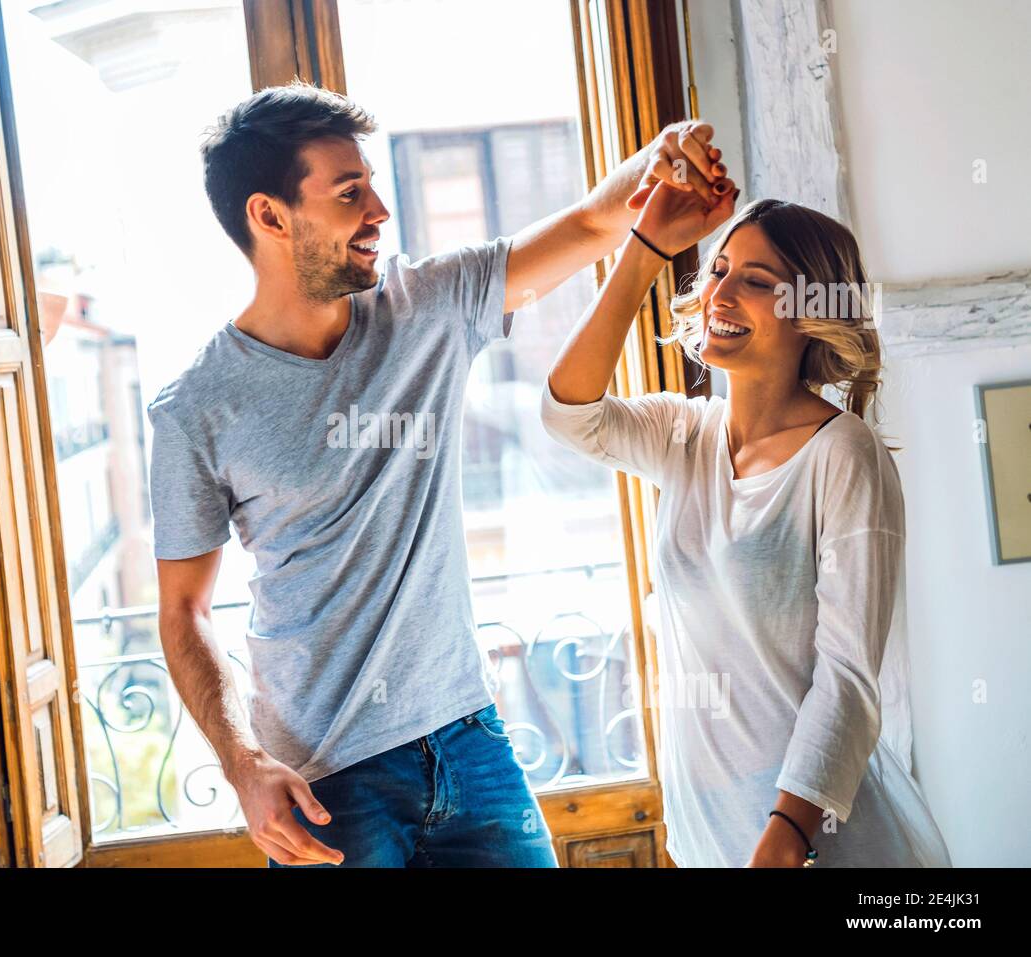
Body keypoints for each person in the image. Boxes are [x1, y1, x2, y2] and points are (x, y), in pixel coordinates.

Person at [148, 80, 734, 867]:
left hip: (473, 743)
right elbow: (184, 612)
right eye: (350, 191)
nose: (379, 211)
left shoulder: (427, 306)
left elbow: (596, 221)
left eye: (374, 185)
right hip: (327, 786)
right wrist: (242, 763)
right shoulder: (195, 407)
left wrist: (660, 157)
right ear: (269, 215)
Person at [541, 184, 953, 866]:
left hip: (807, 836)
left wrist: (785, 839)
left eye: (756, 281)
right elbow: (566, 412)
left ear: (811, 311)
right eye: (719, 271)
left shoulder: (844, 454)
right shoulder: (681, 433)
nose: (720, 294)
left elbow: (847, 676)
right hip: (707, 831)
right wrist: (644, 251)